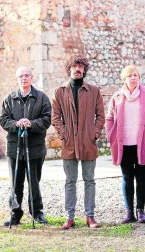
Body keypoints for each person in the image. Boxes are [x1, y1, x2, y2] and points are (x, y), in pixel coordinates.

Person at [51, 55, 105, 229]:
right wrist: (64, 133)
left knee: (89, 180)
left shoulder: (94, 91)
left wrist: (94, 133)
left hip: (88, 143)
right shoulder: (60, 91)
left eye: (80, 66)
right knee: (70, 181)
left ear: (84, 70)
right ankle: (70, 217)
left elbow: (101, 116)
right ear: (69, 69)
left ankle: (90, 216)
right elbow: (55, 117)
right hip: (69, 143)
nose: (77, 69)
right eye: (74, 66)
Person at [105, 65, 145, 224]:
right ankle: (129, 212)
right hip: (123, 144)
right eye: (129, 75)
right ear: (124, 78)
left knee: (142, 176)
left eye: (135, 75)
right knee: (127, 177)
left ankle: (141, 211)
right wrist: (111, 134)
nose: (133, 78)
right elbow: (109, 118)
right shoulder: (117, 97)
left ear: (139, 78)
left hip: (142, 144)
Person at [0, 66, 52, 226]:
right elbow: (3, 120)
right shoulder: (9, 98)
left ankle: (37, 213)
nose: (24, 78)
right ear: (17, 78)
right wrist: (17, 123)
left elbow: (47, 119)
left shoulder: (42, 98)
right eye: (21, 76)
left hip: (35, 148)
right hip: (15, 148)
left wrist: (31, 123)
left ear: (32, 77)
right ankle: (15, 214)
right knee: (15, 183)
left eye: (27, 75)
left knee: (34, 183)